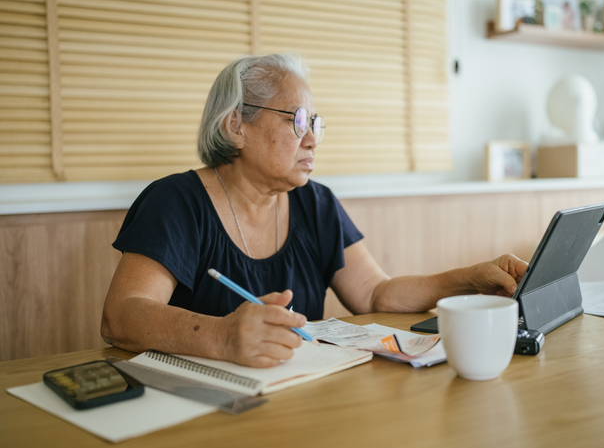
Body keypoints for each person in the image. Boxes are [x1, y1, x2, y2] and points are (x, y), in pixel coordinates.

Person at [101, 53, 528, 368]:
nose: (312, 140)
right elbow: (120, 316)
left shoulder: (316, 201)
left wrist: (468, 278)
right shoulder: (175, 201)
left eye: (315, 123)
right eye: (297, 120)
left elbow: (375, 294)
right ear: (236, 126)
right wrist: (222, 335)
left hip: (301, 393)